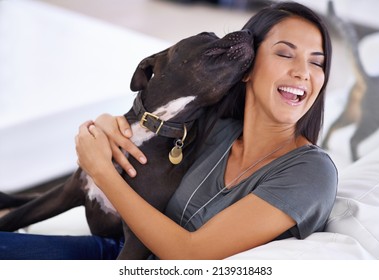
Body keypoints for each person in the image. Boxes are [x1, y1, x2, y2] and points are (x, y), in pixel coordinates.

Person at [0, 1, 337, 260]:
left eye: (317, 62)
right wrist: (105, 126)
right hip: (122, 251)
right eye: (285, 54)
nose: (303, 72)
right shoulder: (215, 130)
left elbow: (191, 254)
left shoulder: (310, 172)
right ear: (247, 67)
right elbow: (157, 108)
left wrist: (102, 171)